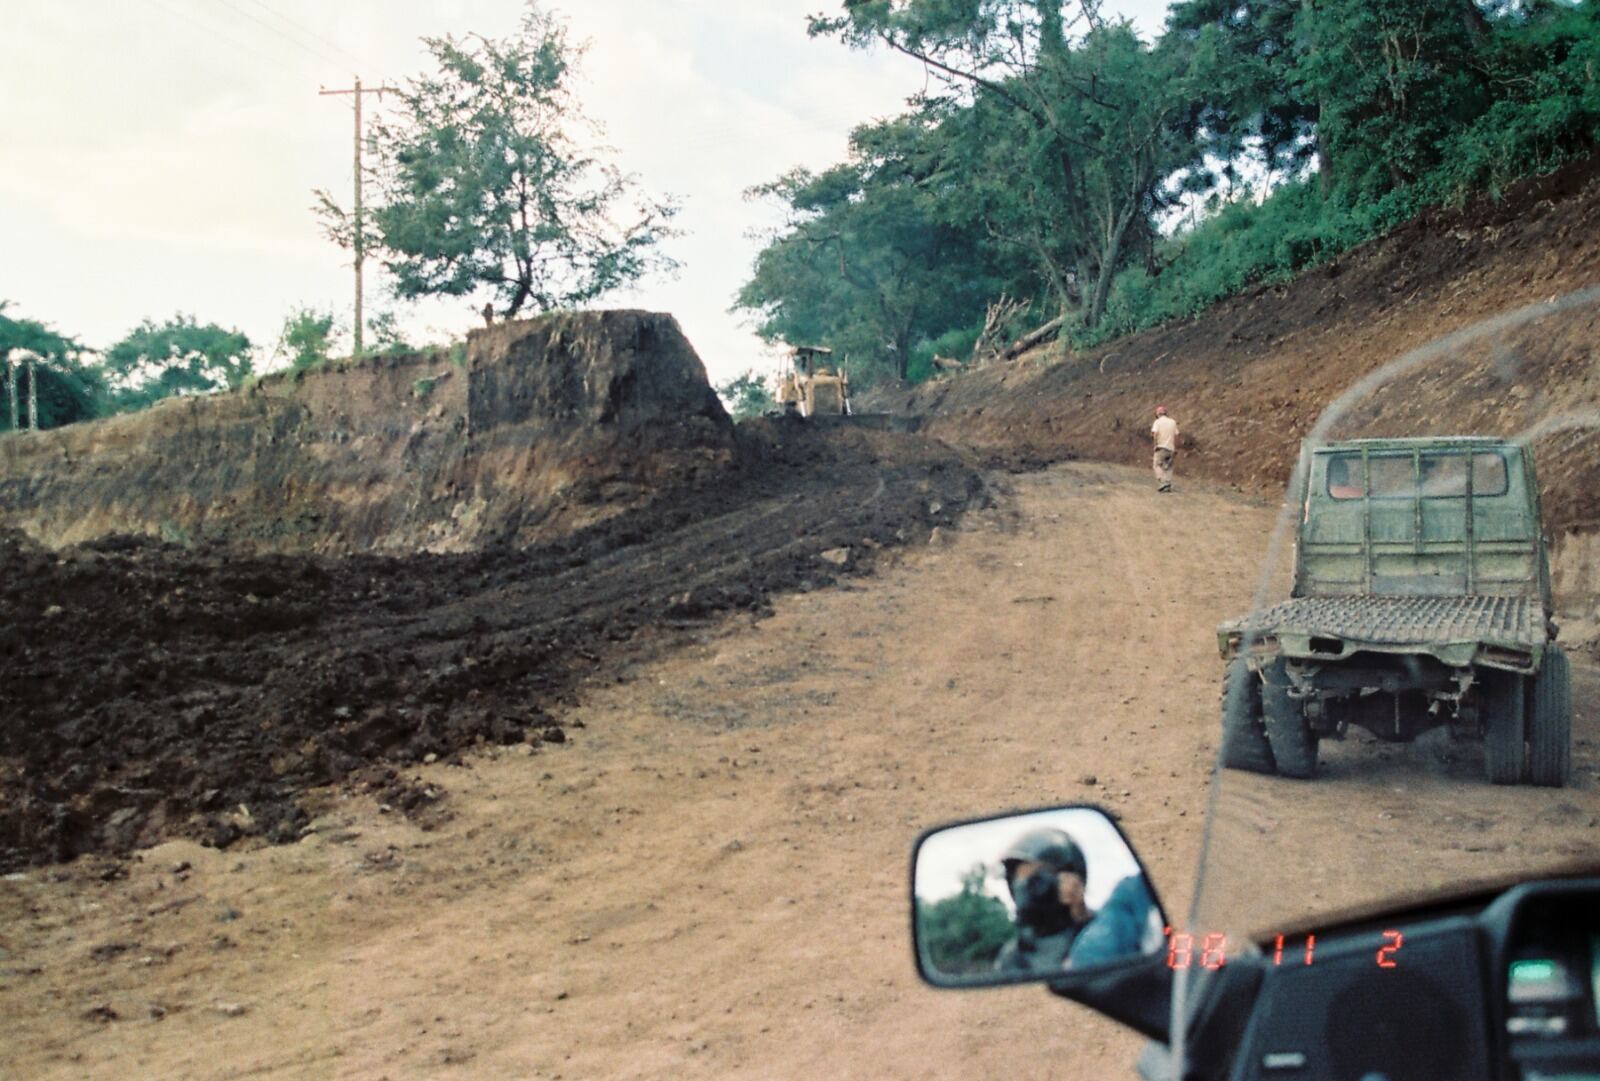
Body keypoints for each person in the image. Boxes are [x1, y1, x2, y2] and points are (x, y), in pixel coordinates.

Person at [993, 828, 1093, 975]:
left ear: (1072, 880)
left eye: (1038, 878)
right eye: (1018, 878)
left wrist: (1082, 918)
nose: (1025, 887)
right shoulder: (1013, 956)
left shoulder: (1101, 932)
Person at [1150, 405, 1179, 492]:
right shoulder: (1173, 422)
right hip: (1171, 448)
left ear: (1157, 414)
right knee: (1168, 467)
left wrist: (1155, 445)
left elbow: (1155, 435)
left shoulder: (1157, 422)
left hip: (1161, 447)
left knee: (1157, 465)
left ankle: (1163, 482)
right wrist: (1176, 448)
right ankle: (1167, 483)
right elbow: (1176, 435)